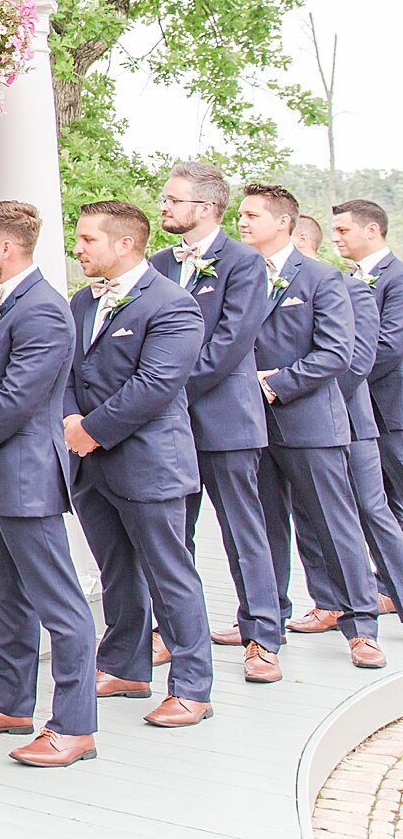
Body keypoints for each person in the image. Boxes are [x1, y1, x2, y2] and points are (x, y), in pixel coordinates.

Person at [0, 201, 98, 767]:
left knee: (61, 604)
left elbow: (19, 397)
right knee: (8, 598)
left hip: (25, 475)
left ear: (7, 247)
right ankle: (7, 702)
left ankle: (75, 726)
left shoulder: (45, 311)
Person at [64, 200, 213, 727]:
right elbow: (68, 371)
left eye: (88, 239)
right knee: (116, 571)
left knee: (169, 573)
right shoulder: (82, 300)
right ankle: (125, 665)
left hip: (148, 463)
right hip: (89, 464)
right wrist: (69, 421)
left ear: (125, 243)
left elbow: (156, 385)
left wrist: (90, 430)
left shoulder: (172, 304)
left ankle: (193, 685)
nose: (77, 247)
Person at [145, 162, 281, 681]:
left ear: (204, 208)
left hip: (223, 419)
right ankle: (173, 633)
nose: (164, 207)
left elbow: (231, 343)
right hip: (164, 426)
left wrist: (165, 392)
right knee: (172, 535)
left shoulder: (245, 263)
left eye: (172, 200)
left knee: (244, 531)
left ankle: (262, 635)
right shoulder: (158, 262)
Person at [238, 183, 382, 668]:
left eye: (252, 214)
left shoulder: (323, 277)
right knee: (262, 529)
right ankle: (263, 628)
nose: (242, 221)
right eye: (241, 213)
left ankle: (361, 626)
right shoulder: (235, 276)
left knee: (334, 526)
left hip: (310, 422)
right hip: (247, 426)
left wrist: (275, 383)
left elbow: (337, 353)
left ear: (284, 222)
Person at [283, 213, 403, 630]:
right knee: (311, 516)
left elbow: (363, 357)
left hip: (350, 416)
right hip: (303, 424)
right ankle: (329, 602)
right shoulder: (279, 291)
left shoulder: (348, 287)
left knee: (372, 510)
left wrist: (320, 397)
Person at [333, 201, 403, 521]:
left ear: (372, 230)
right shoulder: (346, 278)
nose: (335, 237)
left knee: (396, 501)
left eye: (343, 230)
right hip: (359, 412)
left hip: (390, 409)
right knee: (374, 505)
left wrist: (343, 380)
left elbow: (390, 345)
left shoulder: (398, 277)